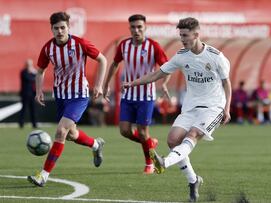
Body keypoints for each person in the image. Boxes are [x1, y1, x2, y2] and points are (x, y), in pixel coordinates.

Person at [121, 17, 231, 202]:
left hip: (213, 108)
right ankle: (193, 180)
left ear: (196, 34)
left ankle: (164, 163)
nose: (182, 39)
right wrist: (133, 83)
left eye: (185, 35)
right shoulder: (181, 55)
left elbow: (226, 84)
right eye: (180, 35)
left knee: (193, 134)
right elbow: (158, 73)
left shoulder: (216, 56)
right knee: (173, 140)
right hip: (190, 108)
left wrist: (226, 108)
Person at [27, 11, 107, 187]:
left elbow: (102, 60)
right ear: (52, 29)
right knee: (71, 134)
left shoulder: (80, 43)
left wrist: (99, 85)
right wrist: (39, 90)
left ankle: (43, 175)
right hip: (61, 96)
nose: (60, 31)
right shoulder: (48, 48)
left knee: (61, 132)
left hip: (79, 96)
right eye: (56, 28)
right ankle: (95, 145)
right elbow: (40, 70)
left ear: (68, 27)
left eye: (63, 27)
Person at [103, 14, 170, 174]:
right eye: (133, 27)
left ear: (145, 28)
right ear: (129, 28)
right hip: (128, 96)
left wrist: (165, 84)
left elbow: (168, 66)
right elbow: (114, 64)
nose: (136, 30)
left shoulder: (153, 46)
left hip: (145, 97)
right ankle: (149, 143)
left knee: (142, 132)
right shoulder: (124, 45)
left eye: (139, 27)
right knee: (124, 131)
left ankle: (149, 164)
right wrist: (106, 85)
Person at [19, 59, 38, 128]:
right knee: (24, 109)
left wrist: (35, 73)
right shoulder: (23, 72)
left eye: (30, 64)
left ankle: (34, 124)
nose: (29, 66)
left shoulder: (33, 73)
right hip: (25, 94)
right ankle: (21, 124)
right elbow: (30, 79)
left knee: (33, 110)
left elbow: (38, 79)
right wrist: (35, 74)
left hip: (32, 94)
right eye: (28, 64)